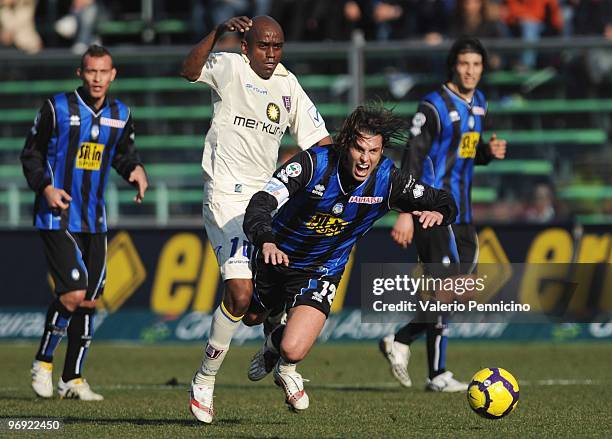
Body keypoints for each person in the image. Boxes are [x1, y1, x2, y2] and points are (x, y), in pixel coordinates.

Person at [242, 103, 457, 412]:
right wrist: (265, 241)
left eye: (373, 151)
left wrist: (440, 212)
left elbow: (443, 199)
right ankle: (273, 330)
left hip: (323, 269)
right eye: (359, 149)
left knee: (293, 348)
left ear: (382, 151)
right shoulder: (313, 164)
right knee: (251, 317)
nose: (365, 159)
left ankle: (280, 352)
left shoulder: (389, 180)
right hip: (278, 257)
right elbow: (260, 202)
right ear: (346, 144)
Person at [180, 15, 331, 423]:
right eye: (263, 45)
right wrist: (216, 30)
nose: (270, 53)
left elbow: (320, 142)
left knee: (262, 302)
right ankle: (205, 379)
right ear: (247, 46)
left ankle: (277, 354)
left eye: (277, 46)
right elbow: (188, 70)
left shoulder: (287, 84)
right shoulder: (229, 65)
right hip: (226, 197)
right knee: (241, 295)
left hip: (266, 202)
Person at [20, 45, 148, 401]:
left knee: (89, 300)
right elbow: (30, 153)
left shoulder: (120, 114)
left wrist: (135, 171)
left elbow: (124, 155)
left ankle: (72, 378)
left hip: (95, 220)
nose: (97, 78)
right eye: (90, 71)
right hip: (57, 214)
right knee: (73, 293)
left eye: (103, 71)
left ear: (113, 75)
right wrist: (45, 188)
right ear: (81, 73)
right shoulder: (56, 109)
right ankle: (43, 363)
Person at [380, 37, 507, 392]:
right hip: (431, 210)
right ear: (453, 66)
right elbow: (414, 158)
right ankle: (437, 374)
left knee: (458, 289)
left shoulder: (479, 103)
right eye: (465, 64)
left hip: (461, 210)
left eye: (476, 65)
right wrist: (407, 210)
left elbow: (462, 151)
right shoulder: (432, 106)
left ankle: (401, 338)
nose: (470, 71)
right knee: (445, 285)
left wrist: (486, 152)